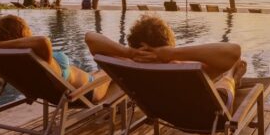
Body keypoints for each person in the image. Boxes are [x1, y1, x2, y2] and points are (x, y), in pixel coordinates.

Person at [85, 14, 247, 103]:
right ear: (168, 44)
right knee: (224, 78)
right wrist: (172, 54)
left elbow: (90, 38)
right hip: (201, 116)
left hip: (157, 110)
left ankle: (230, 74)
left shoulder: (127, 66)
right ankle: (232, 76)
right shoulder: (187, 69)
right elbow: (233, 52)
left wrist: (128, 53)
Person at [0, 14, 114, 101]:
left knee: (102, 72)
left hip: (51, 92)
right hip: (87, 91)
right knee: (113, 71)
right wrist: (2, 43)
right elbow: (43, 41)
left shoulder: (15, 55)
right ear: (23, 32)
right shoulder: (39, 53)